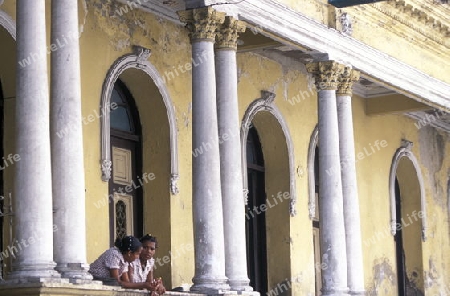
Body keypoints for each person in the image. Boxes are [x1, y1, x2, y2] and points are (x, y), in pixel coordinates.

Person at [89, 235, 157, 291]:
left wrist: (149, 286)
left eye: (152, 249)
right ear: (129, 253)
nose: (138, 257)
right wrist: (143, 284)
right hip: (91, 283)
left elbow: (127, 283)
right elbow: (116, 281)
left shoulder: (125, 260)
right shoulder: (114, 254)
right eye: (137, 254)